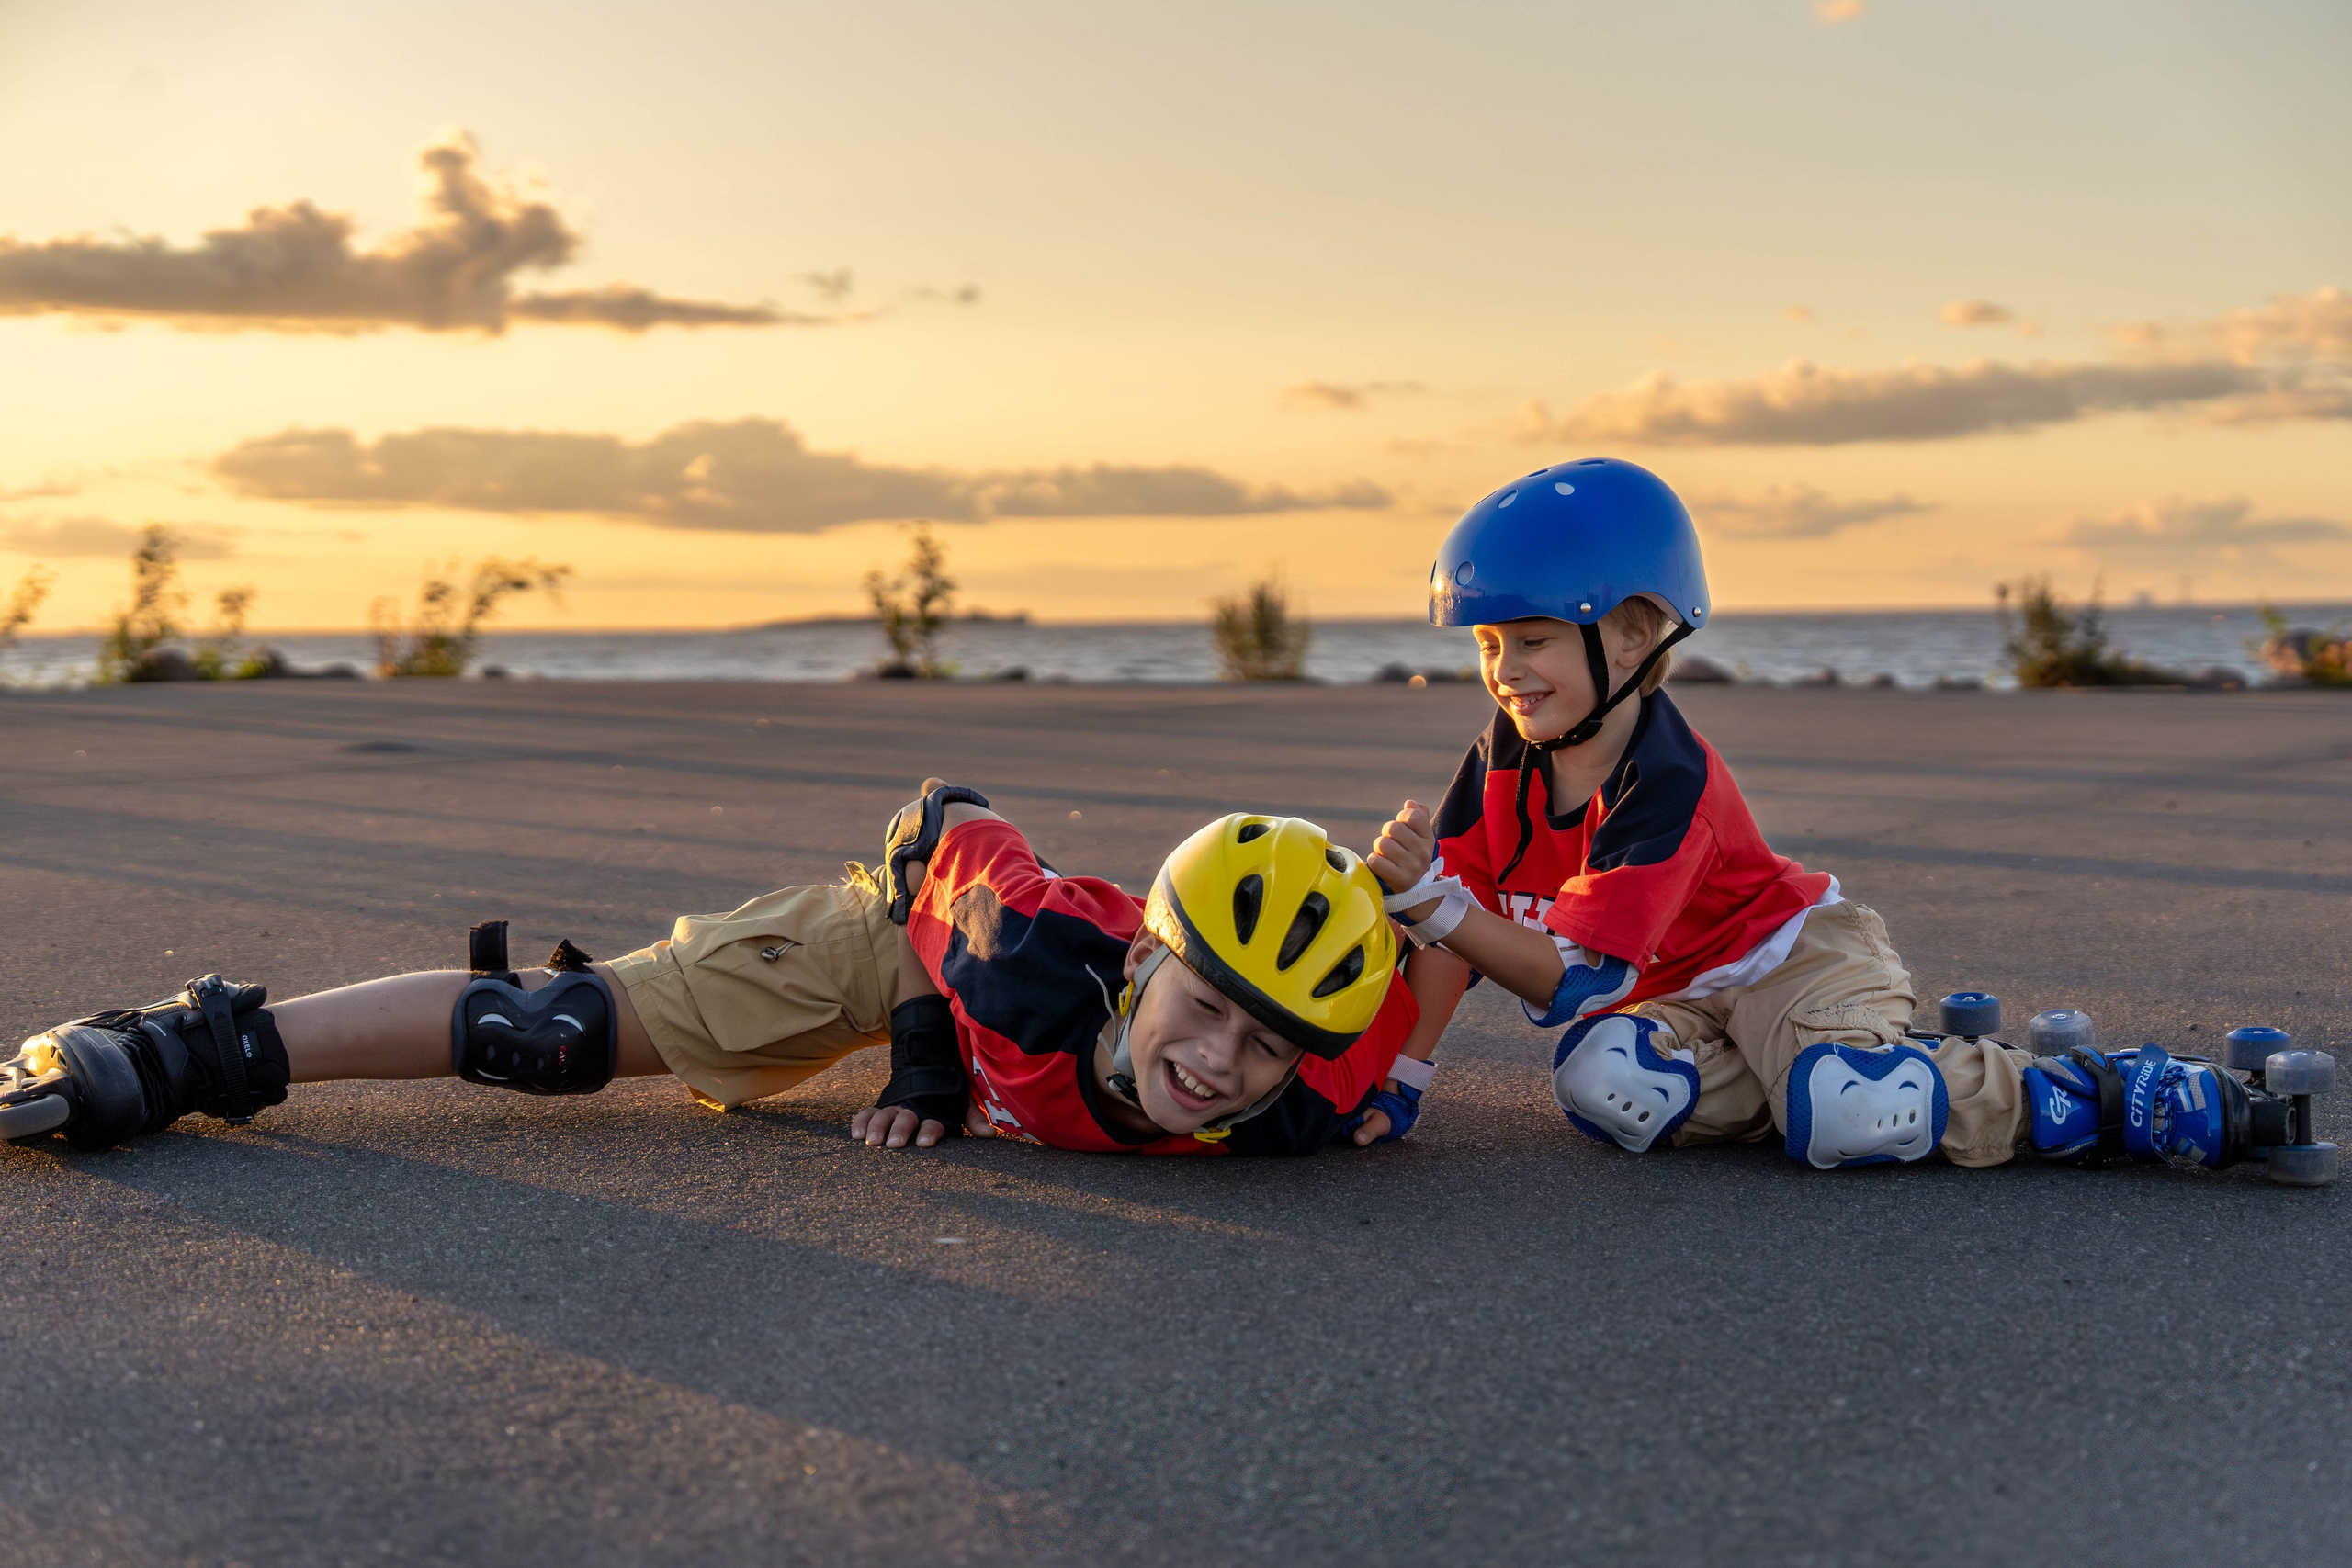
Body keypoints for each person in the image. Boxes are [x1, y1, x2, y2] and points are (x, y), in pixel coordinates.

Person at [1357, 457, 2297, 1177]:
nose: (1506, 669)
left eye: (1533, 639)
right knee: (1603, 1091)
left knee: (1845, 1112)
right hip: (1683, 998)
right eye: (1487, 643)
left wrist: (1431, 903)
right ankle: (1876, 1077)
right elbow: (1450, 932)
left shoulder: (1669, 782)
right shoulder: (1500, 759)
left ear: (1636, 633)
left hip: (1796, 956)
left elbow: (1568, 980)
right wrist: (1402, 1080)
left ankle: (2086, 1091)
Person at [3, 784, 1426, 1159]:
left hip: (976, 993)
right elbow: (941, 819)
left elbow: (1422, 1001)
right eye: (1205, 1006)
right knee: (545, 1031)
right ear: (1143, 968)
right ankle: (187, 1047)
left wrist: (1433, 894)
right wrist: (930, 1046)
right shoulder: (1034, 951)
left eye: (1267, 1043)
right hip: (908, 939)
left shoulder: (1308, 1096)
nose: (1223, 1059)